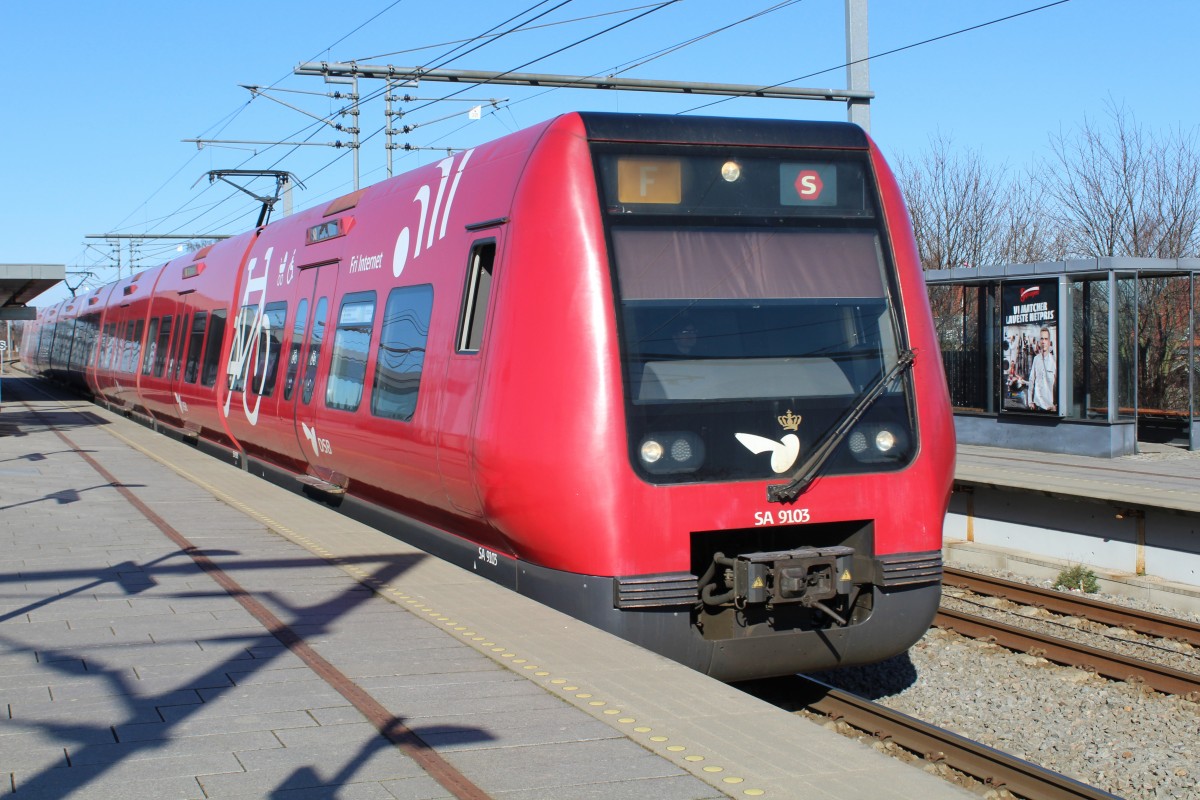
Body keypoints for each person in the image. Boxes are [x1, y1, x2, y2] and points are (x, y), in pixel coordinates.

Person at [1027, 327, 1057, 412]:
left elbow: (1059, 384)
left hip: (1050, 408)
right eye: (1042, 339)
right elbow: (1031, 380)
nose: (1043, 342)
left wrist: (1057, 405)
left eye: (1046, 339)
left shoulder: (1054, 361)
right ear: (1039, 341)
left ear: (1049, 341)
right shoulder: (1036, 359)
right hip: (1037, 406)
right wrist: (1030, 401)